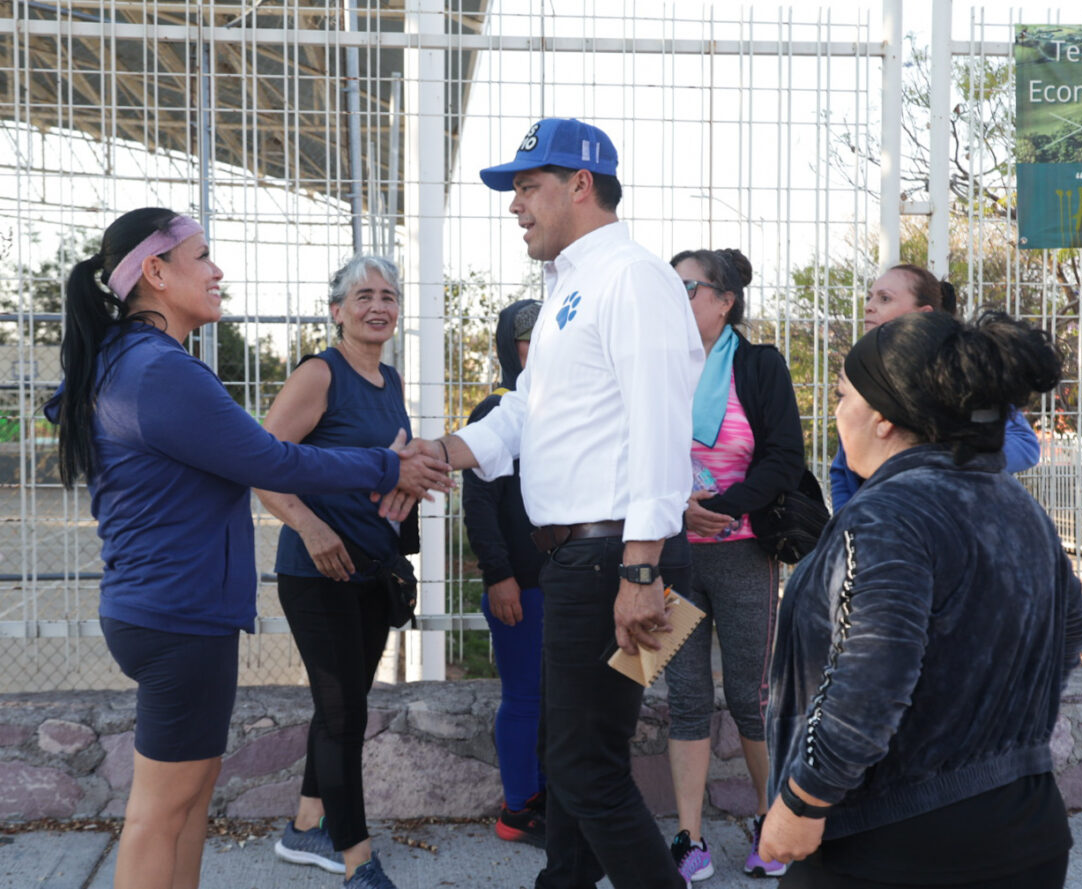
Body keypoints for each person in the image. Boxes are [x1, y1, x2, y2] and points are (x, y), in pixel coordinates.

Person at [46, 208, 450, 889]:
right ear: (155, 272)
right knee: (158, 811)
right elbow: (273, 459)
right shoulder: (158, 370)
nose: (217, 270)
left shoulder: (132, 360)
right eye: (202, 256)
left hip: (172, 610)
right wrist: (386, 468)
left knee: (190, 796)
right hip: (177, 615)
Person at [405, 117, 705, 889]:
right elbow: (520, 414)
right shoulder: (571, 286)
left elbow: (663, 425)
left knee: (580, 763)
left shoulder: (633, 278)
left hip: (616, 560)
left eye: (528, 187)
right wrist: (442, 452)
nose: (515, 205)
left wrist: (641, 571)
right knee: (584, 757)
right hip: (592, 557)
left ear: (581, 186)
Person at [759, 310, 1082, 889]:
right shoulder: (1012, 502)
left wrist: (804, 799)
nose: (836, 412)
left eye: (842, 395)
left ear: (884, 418)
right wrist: (986, 719)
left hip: (893, 845)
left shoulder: (889, 513)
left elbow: (870, 675)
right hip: (1026, 828)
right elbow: (1071, 625)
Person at [256, 255, 420, 889]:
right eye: (363, 296)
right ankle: (357, 859)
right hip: (316, 570)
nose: (377, 306)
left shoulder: (392, 380)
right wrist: (310, 525)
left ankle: (305, 826)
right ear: (337, 310)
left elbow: (390, 463)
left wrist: (410, 485)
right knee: (343, 713)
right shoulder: (319, 374)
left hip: (372, 570)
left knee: (343, 706)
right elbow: (263, 461)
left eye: (388, 296)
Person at [663, 248, 804, 882]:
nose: (675, 297)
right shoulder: (653, 366)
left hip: (745, 553)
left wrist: (721, 507)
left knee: (752, 697)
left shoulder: (759, 364)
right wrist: (678, 512)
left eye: (687, 287)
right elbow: (626, 450)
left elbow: (783, 458)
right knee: (686, 698)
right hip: (667, 554)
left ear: (725, 301)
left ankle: (770, 828)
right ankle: (688, 838)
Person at [828, 264, 1040, 512]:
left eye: (884, 298)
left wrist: (943, 467)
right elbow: (842, 469)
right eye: (869, 297)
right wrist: (846, 524)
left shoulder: (955, 371)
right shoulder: (864, 370)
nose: (869, 306)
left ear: (924, 313)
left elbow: (1025, 444)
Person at [462, 298, 548, 848]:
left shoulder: (571, 408)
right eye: (527, 336)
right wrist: (499, 575)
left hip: (569, 582)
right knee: (523, 696)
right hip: (521, 584)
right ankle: (519, 809)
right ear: (507, 346)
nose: (539, 345)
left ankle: (549, 799)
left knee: (560, 699)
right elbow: (479, 503)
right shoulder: (497, 410)